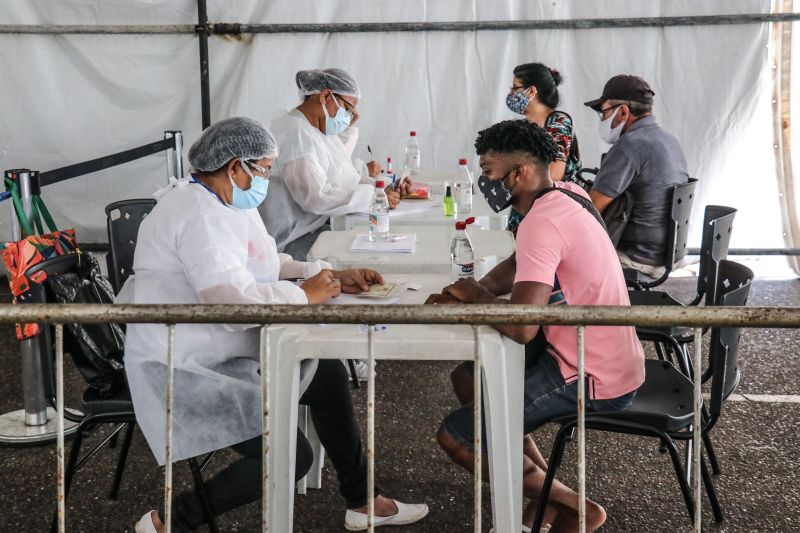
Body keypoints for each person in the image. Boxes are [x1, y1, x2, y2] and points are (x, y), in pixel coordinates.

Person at [124, 117, 428, 532]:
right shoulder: (197, 213)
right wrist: (303, 296)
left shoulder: (226, 201)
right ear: (236, 166)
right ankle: (168, 522)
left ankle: (362, 501)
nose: (267, 179)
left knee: (326, 373)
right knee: (289, 455)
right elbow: (229, 303)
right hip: (184, 366)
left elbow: (263, 262)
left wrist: (327, 276)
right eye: (265, 169)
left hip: (222, 348)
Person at [426, 120, 644, 532]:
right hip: (598, 350)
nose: (485, 181)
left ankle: (576, 507)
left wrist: (477, 297)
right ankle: (543, 495)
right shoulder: (568, 193)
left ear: (519, 173)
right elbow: (519, 264)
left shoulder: (542, 222)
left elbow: (523, 326)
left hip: (590, 372)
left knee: (458, 437)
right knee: (469, 379)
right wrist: (475, 288)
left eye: (489, 171)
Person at [260, 67, 412, 260]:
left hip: (315, 226)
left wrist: (383, 188)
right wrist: (373, 197)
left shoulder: (313, 127)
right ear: (325, 96)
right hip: (295, 239)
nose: (349, 115)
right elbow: (316, 198)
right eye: (347, 108)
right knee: (371, 255)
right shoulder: (295, 133)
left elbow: (340, 174)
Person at [584, 74, 690, 278]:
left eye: (604, 112)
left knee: (562, 254)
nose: (603, 119)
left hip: (636, 257)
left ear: (623, 111)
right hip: (666, 253)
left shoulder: (629, 146)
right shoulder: (670, 141)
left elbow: (591, 207)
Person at [505, 62, 583, 235]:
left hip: (554, 219)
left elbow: (554, 174)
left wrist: (515, 178)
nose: (511, 94)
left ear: (532, 91)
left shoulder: (558, 122)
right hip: (524, 217)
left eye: (515, 88)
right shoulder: (521, 128)